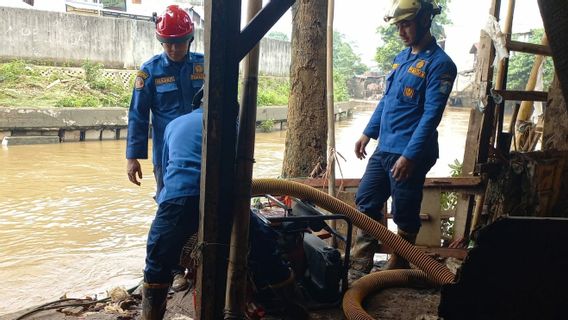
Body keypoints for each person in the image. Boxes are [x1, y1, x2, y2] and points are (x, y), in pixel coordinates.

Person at [141, 88, 308, 320]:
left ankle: (150, 315)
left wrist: (164, 200)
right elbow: (241, 169)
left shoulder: (174, 124)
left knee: (157, 258)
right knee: (265, 248)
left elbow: (163, 168)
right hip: (224, 197)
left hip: (178, 197)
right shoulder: (234, 125)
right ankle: (297, 313)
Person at [350, 0, 457, 276]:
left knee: (404, 210)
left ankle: (399, 261)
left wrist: (410, 155)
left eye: (406, 24)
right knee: (366, 200)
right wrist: (367, 132)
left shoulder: (441, 65)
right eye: (398, 25)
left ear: (424, 21)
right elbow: (386, 102)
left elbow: (431, 115)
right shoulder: (401, 58)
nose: (401, 31)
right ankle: (360, 264)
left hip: (411, 152)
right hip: (385, 147)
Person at [125, 4, 205, 291]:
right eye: (168, 43)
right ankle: (173, 269)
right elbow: (137, 115)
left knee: (206, 204)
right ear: (162, 42)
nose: (174, 49)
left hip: (203, 149)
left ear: (190, 40)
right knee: (171, 207)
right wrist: (133, 157)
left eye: (179, 42)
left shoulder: (204, 66)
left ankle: (199, 258)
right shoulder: (149, 73)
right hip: (167, 156)